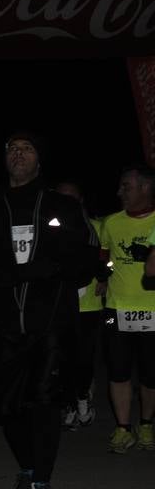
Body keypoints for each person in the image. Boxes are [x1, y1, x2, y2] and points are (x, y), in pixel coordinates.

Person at [0, 131, 93, 489]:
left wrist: (49, 269)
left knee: (45, 401)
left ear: (40, 160)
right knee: (8, 408)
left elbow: (86, 261)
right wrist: (0, 282)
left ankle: (42, 480)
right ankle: (27, 468)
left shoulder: (62, 207)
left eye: (27, 148)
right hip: (1, 326)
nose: (19, 154)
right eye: (12, 149)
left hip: (50, 323)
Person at [98, 165, 155, 452]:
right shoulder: (111, 222)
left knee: (150, 374)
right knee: (118, 371)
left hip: (152, 309)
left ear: (145, 188)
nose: (119, 192)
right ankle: (123, 428)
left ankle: (146, 423)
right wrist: (105, 277)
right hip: (116, 308)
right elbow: (105, 258)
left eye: (126, 186)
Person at [54, 180, 104, 431]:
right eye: (62, 197)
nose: (67, 202)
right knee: (61, 359)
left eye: (72, 197)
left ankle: (83, 399)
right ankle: (70, 404)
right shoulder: (50, 226)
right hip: (58, 305)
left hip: (89, 306)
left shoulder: (96, 226)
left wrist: (105, 278)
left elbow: (109, 260)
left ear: (81, 200)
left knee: (83, 358)